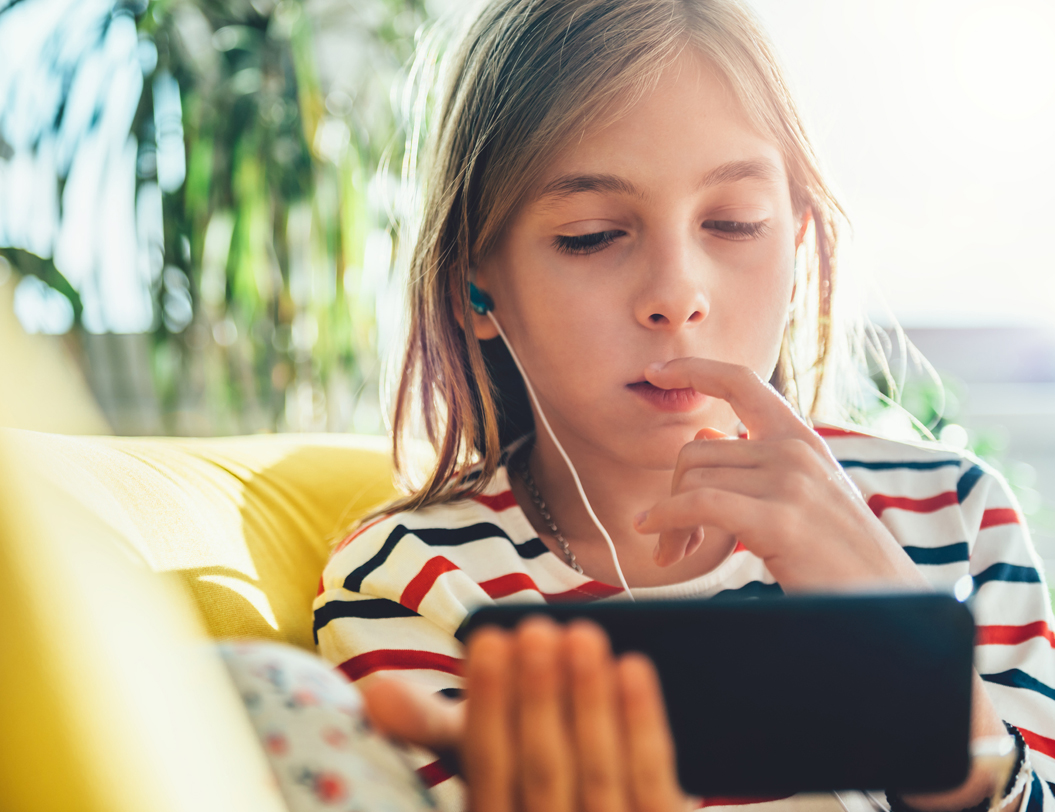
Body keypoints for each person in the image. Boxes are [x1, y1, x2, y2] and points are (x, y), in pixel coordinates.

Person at [312, 1, 1055, 810]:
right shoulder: (414, 582)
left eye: (734, 225)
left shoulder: (953, 514)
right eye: (591, 235)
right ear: (473, 287)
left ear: (798, 243)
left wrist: (911, 657)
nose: (676, 295)